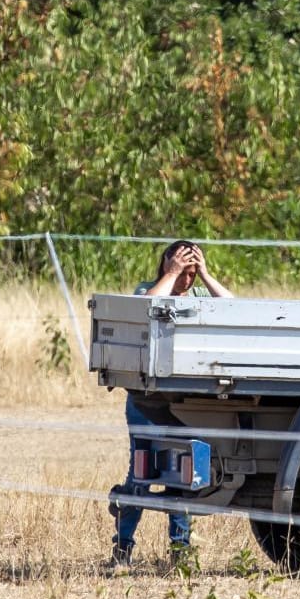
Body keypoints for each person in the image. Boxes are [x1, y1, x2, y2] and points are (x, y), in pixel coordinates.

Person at [110, 240, 232, 570]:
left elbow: (234, 307)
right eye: (184, 272)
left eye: (191, 274)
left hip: (187, 403)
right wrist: (171, 274)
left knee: (183, 475)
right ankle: (122, 547)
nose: (187, 280)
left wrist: (205, 275)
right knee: (141, 473)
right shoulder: (149, 288)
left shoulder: (198, 298)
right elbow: (145, 307)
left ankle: (180, 552)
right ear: (167, 263)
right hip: (147, 403)